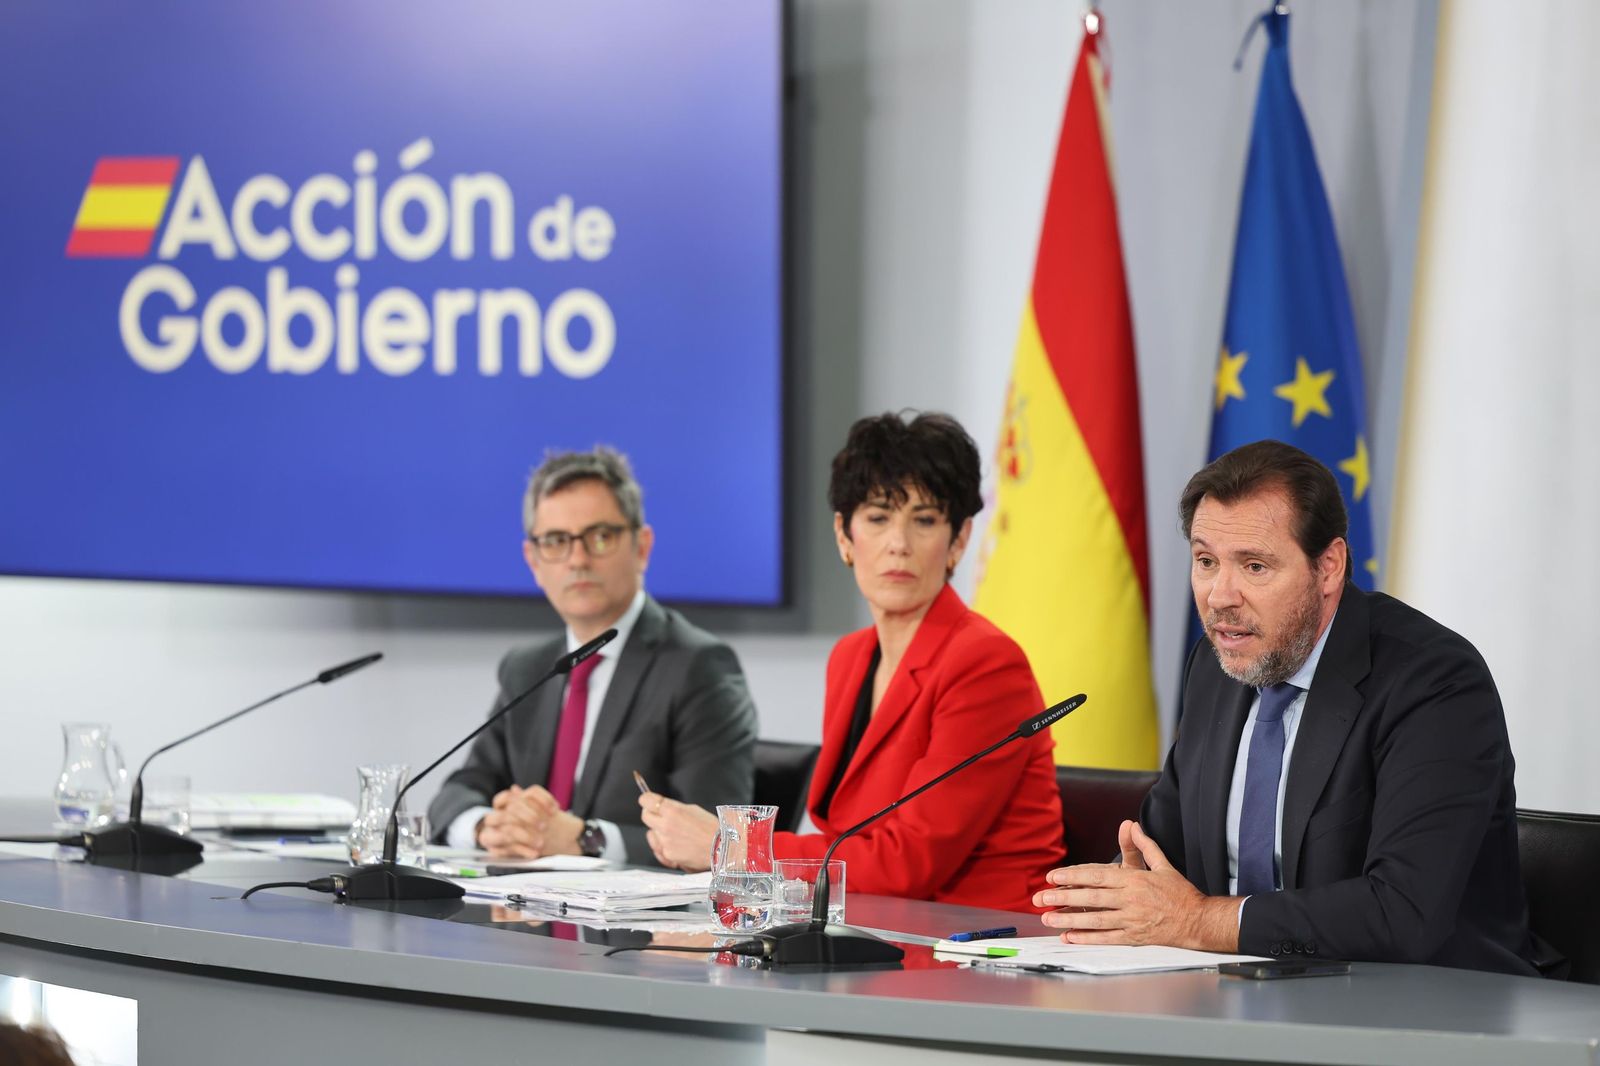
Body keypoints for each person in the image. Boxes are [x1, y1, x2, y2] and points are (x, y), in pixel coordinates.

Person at [1034, 439, 1541, 974]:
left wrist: (1198, 921)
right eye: (1206, 561)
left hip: (1430, 1009)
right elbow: (1165, 848)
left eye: (1253, 566)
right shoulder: (1216, 666)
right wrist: (1116, 898)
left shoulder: (1433, 682)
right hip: (1235, 999)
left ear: (1328, 568)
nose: (1219, 595)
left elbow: (1403, 913)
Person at [641, 412, 1064, 912]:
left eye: (924, 520)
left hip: (981, 946)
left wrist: (733, 847)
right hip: (876, 925)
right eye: (878, 517)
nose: (898, 544)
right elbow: (847, 838)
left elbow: (909, 861)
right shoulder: (851, 657)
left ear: (959, 539)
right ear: (844, 535)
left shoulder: (986, 663)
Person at [428, 447, 759, 865]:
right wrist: (486, 827)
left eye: (600, 537)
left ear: (642, 546)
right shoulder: (528, 667)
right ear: (533, 559)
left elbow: (717, 839)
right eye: (556, 541)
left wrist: (586, 839)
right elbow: (460, 789)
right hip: (523, 914)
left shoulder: (699, 667)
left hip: (639, 927)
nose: (578, 559)